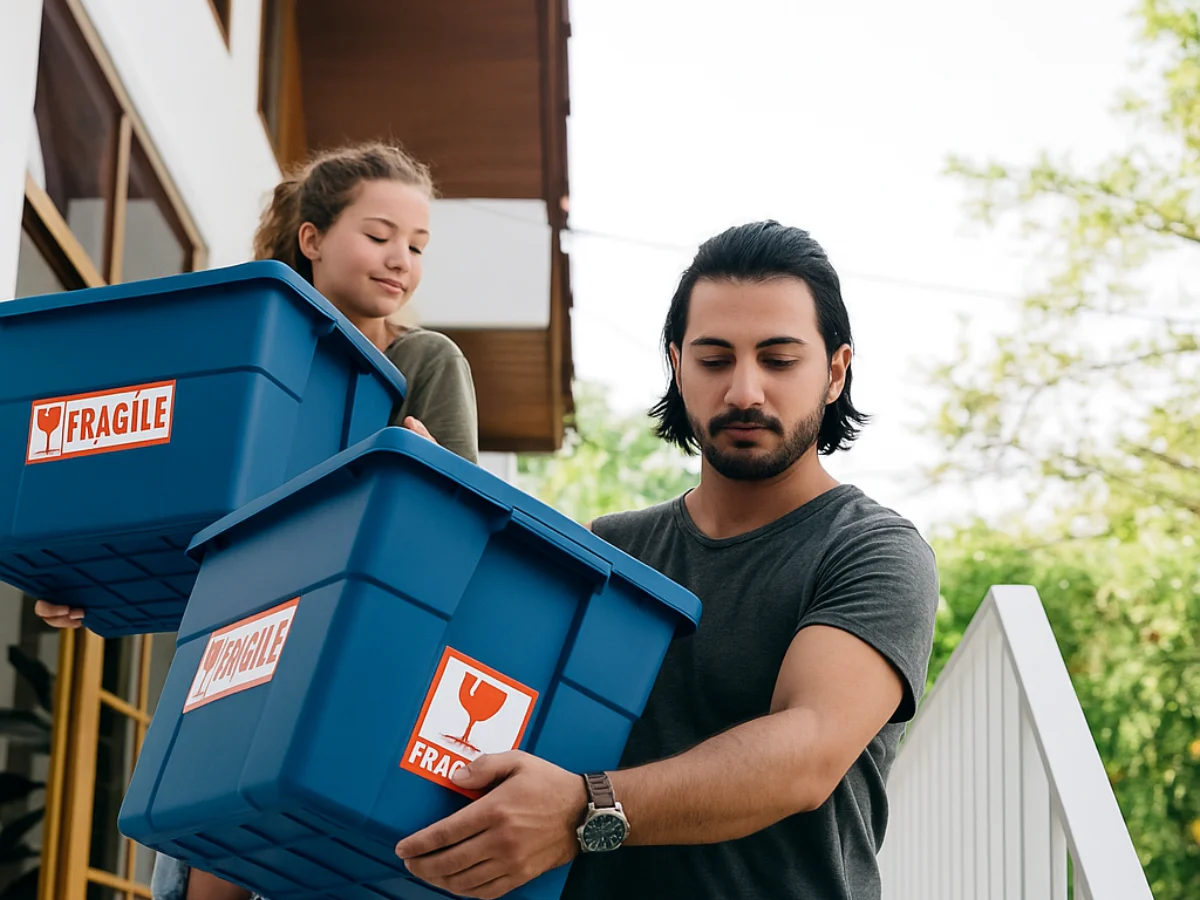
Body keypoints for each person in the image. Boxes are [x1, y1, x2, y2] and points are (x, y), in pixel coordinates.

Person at [393, 221, 939, 900]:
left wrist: (582, 809)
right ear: (678, 368)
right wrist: (424, 521)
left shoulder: (873, 551)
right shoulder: (609, 550)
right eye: (714, 360)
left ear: (834, 372)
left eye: (778, 359)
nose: (744, 391)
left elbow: (806, 754)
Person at [33, 141, 481, 900]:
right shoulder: (245, 362)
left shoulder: (426, 363)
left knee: (283, 858)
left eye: (417, 244)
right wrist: (91, 582)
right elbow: (185, 529)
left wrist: (421, 470)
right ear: (311, 239)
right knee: (215, 858)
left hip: (349, 661)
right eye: (378, 236)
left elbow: (462, 540)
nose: (400, 258)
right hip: (234, 654)